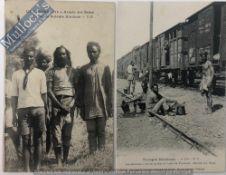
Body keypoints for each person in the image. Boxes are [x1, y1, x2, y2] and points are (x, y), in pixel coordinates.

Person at [11, 47, 47, 172]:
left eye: (31, 56)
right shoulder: (16, 74)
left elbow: (44, 94)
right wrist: (13, 115)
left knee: (38, 139)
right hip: (23, 111)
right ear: (23, 58)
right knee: (25, 140)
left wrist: (45, 111)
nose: (29, 58)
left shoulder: (40, 73)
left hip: (38, 109)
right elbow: (14, 96)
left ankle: (36, 168)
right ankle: (26, 170)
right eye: (26, 56)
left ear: (34, 58)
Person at [78, 41, 112, 154]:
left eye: (94, 51)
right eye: (89, 52)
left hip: (102, 105)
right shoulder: (83, 69)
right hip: (89, 105)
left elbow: (109, 88)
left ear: (99, 52)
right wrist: (81, 107)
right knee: (91, 131)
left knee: (101, 131)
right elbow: (80, 90)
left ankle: (101, 154)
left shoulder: (105, 67)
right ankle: (93, 153)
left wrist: (110, 105)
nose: (91, 54)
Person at [46, 46, 78, 165]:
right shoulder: (51, 71)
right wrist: (60, 106)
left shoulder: (73, 71)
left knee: (67, 133)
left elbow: (77, 90)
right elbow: (49, 91)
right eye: (59, 54)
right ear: (56, 56)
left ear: (67, 55)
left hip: (69, 103)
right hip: (56, 104)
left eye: (64, 54)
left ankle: (65, 159)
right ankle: (58, 161)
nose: (61, 56)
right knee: (56, 134)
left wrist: (71, 105)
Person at [5, 64, 21, 159]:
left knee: (14, 133)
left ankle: (20, 156)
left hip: (12, 110)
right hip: (5, 109)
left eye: (13, 71)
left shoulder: (18, 83)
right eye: (9, 71)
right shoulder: (4, 82)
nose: (11, 73)